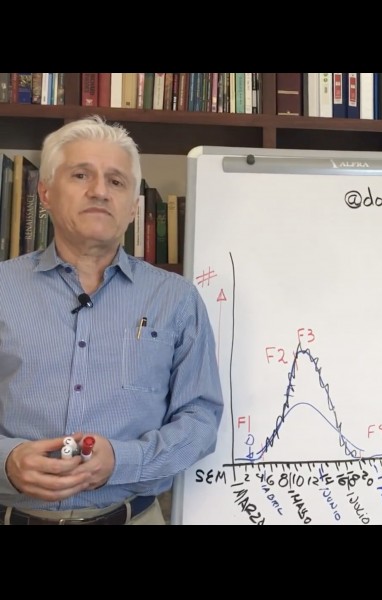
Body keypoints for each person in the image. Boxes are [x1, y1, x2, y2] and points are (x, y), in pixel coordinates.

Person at [0, 115, 224, 525]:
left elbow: (201, 420)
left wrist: (123, 460)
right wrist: (7, 461)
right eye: (81, 175)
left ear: (134, 206)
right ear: (45, 192)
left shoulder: (176, 299)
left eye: (116, 181)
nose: (100, 191)